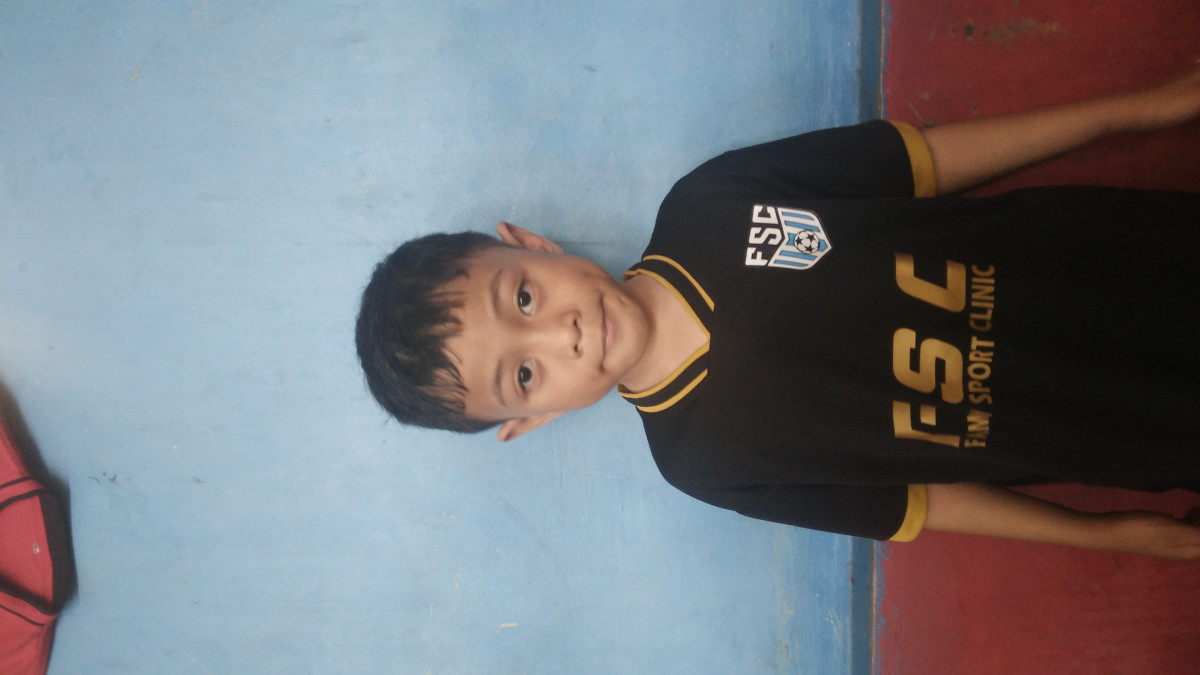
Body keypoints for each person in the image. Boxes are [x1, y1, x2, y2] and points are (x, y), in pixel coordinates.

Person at [356, 66, 1200, 559]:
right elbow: (921, 502)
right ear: (530, 420)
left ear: (531, 244)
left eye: (524, 297)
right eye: (525, 373)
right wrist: (1109, 535)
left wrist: (1128, 111)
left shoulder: (710, 201)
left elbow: (924, 161)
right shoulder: (700, 462)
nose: (562, 334)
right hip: (1110, 425)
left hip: (1110, 258)